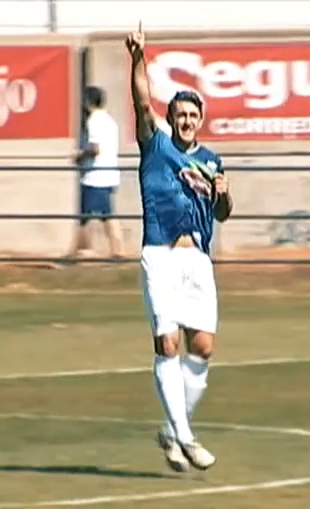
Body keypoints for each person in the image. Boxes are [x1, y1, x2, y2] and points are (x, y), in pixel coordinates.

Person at [126, 22, 234, 473]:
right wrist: (137, 58)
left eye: (193, 115)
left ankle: (172, 430)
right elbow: (139, 99)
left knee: (202, 347)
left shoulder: (211, 160)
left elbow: (223, 213)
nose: (186, 121)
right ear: (171, 119)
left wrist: (224, 193)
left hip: (198, 259)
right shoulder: (155, 146)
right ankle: (186, 439)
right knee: (167, 344)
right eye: (180, 115)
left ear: (200, 120)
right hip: (161, 254)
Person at [67, 86, 125, 259]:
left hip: (95, 176)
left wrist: (79, 156)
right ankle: (116, 249)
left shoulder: (94, 121)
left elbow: (95, 148)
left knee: (87, 216)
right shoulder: (110, 121)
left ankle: (82, 250)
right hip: (109, 174)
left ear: (88, 102)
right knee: (105, 214)